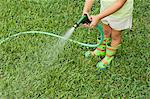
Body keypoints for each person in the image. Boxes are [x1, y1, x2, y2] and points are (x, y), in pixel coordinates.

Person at [82, 0, 133, 70]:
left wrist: (98, 17)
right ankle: (101, 50)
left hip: (120, 14)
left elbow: (120, 3)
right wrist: (86, 11)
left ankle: (109, 56)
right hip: (105, 10)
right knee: (105, 31)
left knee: (115, 35)